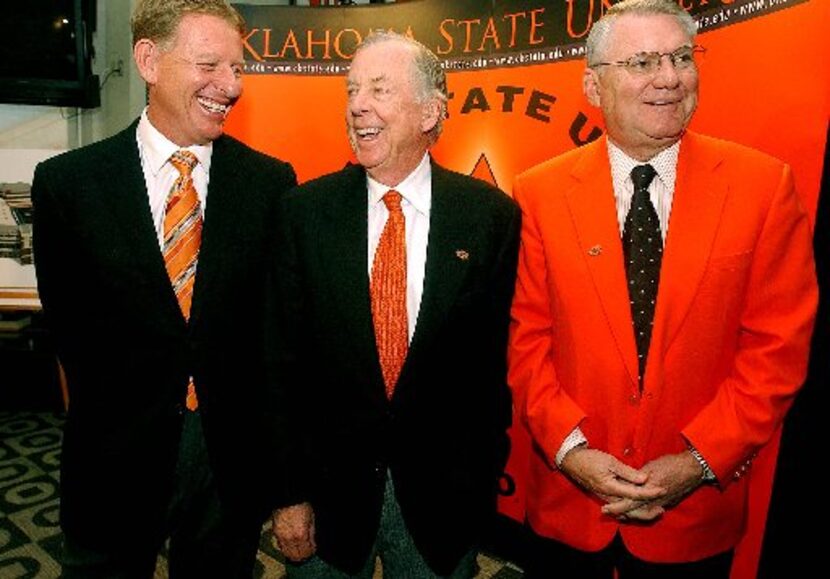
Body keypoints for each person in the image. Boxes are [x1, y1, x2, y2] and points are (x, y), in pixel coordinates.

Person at [507, 0, 817, 577]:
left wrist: (697, 462)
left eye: (680, 57)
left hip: (695, 519)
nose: (669, 78)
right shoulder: (538, 195)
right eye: (644, 61)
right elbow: (525, 344)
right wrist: (572, 453)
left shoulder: (762, 188)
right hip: (570, 511)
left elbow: (777, 351)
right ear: (593, 86)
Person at [31, 1, 297, 577]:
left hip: (227, 465)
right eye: (210, 65)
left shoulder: (270, 185)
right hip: (114, 460)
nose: (230, 87)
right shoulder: (68, 186)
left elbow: (273, 341)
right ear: (149, 60)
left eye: (237, 68)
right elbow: (71, 334)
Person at [267, 31, 521, 579]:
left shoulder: (489, 217)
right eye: (352, 90)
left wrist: (478, 485)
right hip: (326, 499)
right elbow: (281, 368)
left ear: (430, 112)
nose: (357, 105)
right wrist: (288, 494)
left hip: (441, 502)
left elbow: (491, 368)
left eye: (379, 90)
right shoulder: (302, 214)